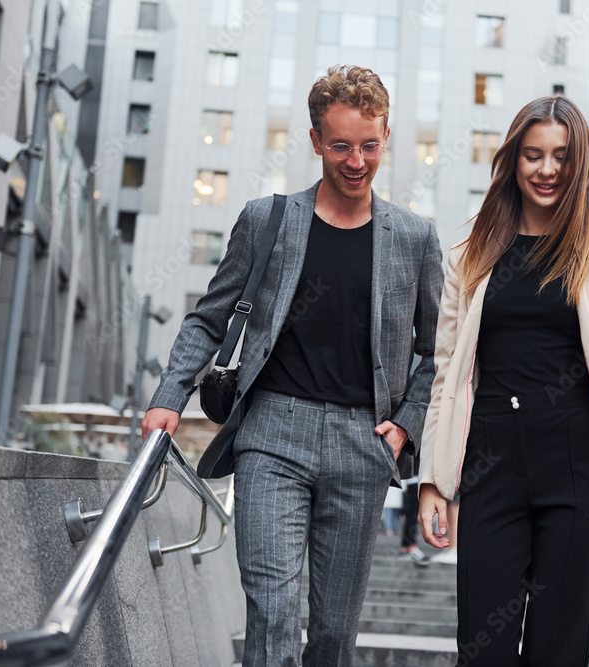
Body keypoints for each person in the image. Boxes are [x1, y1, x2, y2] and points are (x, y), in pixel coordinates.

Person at [142, 65, 443, 667]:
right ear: (314, 141)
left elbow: (438, 353)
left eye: (369, 145)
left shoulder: (414, 238)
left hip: (364, 441)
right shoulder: (268, 220)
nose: (355, 161)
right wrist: (168, 396)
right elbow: (210, 318)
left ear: (385, 138)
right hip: (273, 434)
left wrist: (405, 424)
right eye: (340, 145)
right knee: (273, 613)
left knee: (333, 633)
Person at [417, 96, 589, 666]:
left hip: (582, 472)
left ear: (580, 164)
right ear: (513, 161)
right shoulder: (470, 256)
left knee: (558, 655)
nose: (547, 169)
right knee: (481, 653)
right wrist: (434, 480)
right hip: (493, 467)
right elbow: (447, 376)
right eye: (533, 155)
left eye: (561, 156)